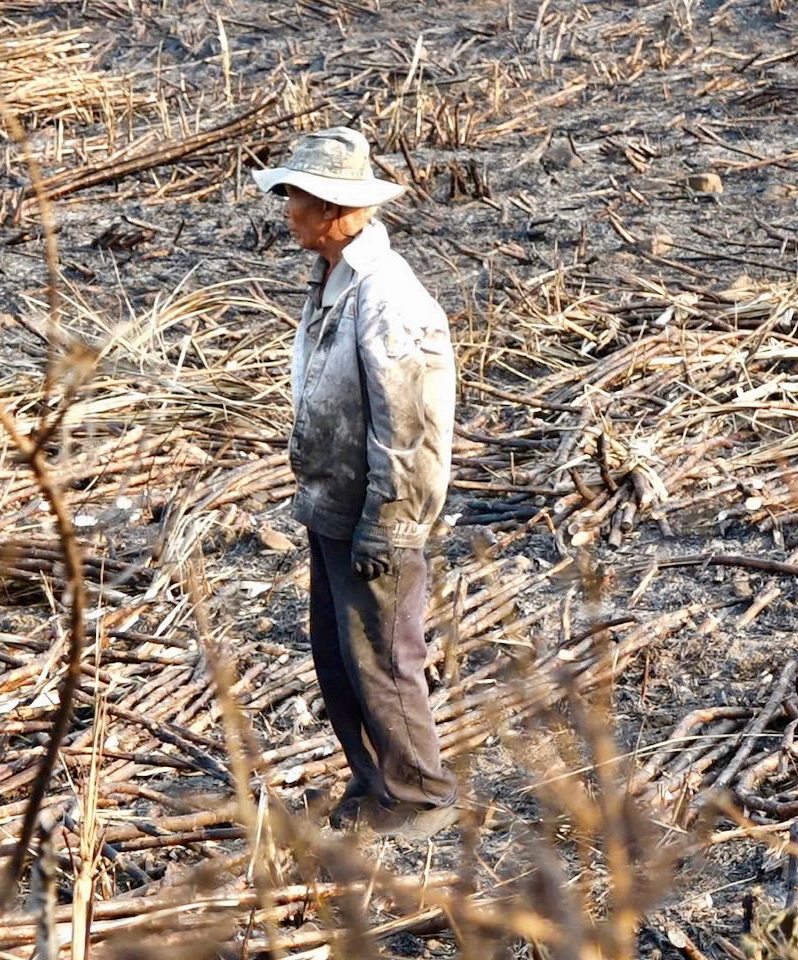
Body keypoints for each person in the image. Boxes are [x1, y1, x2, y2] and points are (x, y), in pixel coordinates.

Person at [253, 127, 458, 837]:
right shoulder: (335, 280)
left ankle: (421, 797)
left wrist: (392, 522)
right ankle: (378, 785)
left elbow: (414, 426)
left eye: (297, 198)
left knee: (383, 659)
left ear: (337, 211)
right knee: (341, 657)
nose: (286, 210)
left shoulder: (389, 297)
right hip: (333, 505)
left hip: (376, 513)